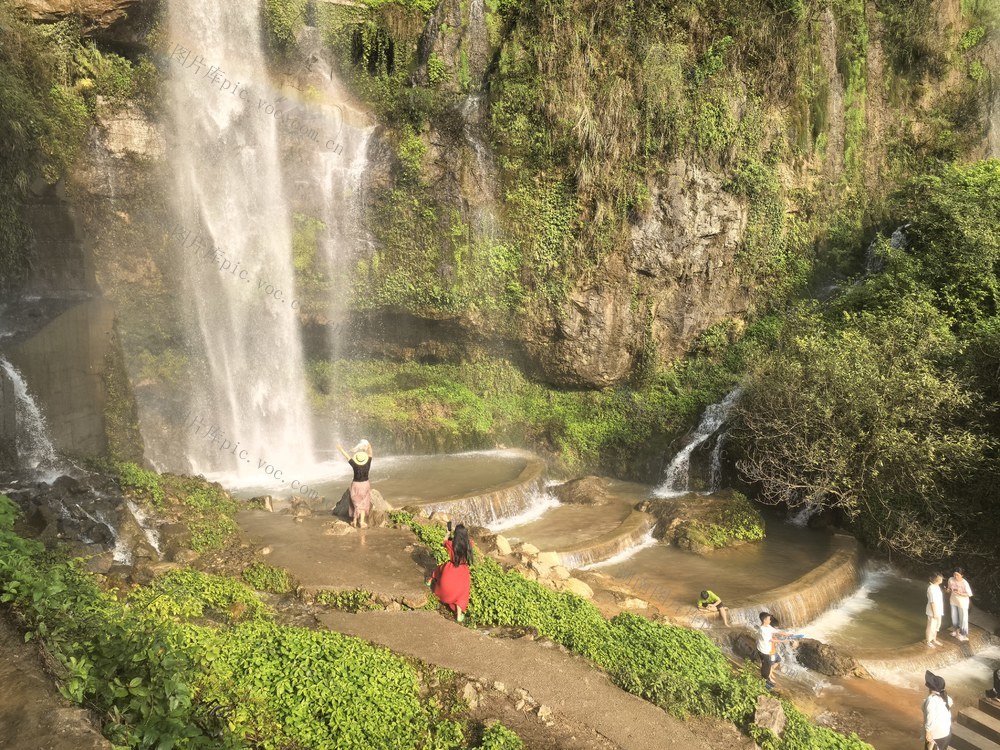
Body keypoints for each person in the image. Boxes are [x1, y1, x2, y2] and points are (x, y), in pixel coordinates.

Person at [427, 522, 473, 623]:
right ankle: (459, 615)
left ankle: (430, 580)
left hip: (450, 569)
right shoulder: (469, 545)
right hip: (463, 571)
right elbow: (468, 543)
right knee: (463, 593)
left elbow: (444, 542)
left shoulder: (451, 544)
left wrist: (448, 533)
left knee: (439, 569)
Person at [337, 439, 373, 528]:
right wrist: (368, 445)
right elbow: (370, 453)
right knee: (364, 502)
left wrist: (341, 449)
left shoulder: (354, 465)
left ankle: (354, 521)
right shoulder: (368, 463)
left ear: (357, 459)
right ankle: (361, 522)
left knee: (356, 503)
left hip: (355, 484)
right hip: (365, 484)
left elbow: (347, 457)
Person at [756, 612, 792, 690]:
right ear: (764, 620)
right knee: (767, 667)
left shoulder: (768, 626)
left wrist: (785, 634)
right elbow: (771, 640)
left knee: (766, 665)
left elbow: (776, 631)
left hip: (765, 650)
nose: (770, 621)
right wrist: (783, 641)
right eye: (769, 619)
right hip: (764, 651)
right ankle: (765, 682)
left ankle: (765, 679)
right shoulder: (762, 630)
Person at [923, 670, 953, 750]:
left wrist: (928, 732)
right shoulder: (946, 697)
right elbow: (950, 703)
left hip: (937, 735)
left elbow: (930, 717)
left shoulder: (931, 700)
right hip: (947, 732)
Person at [946, 568, 973, 642]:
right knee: (954, 617)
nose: (955, 576)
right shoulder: (950, 579)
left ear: (962, 575)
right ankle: (955, 631)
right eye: (954, 574)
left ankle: (963, 634)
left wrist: (960, 593)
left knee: (963, 618)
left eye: (957, 575)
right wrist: (947, 590)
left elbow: (969, 594)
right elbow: (949, 589)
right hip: (953, 601)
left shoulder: (965, 583)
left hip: (963, 603)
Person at [926, 573, 945, 647]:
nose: (942, 579)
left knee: (937, 626)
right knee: (931, 626)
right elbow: (932, 602)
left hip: (939, 610)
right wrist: (934, 613)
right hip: (933, 611)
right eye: (941, 578)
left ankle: (934, 639)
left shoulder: (937, 586)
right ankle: (928, 641)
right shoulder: (931, 588)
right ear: (937, 579)